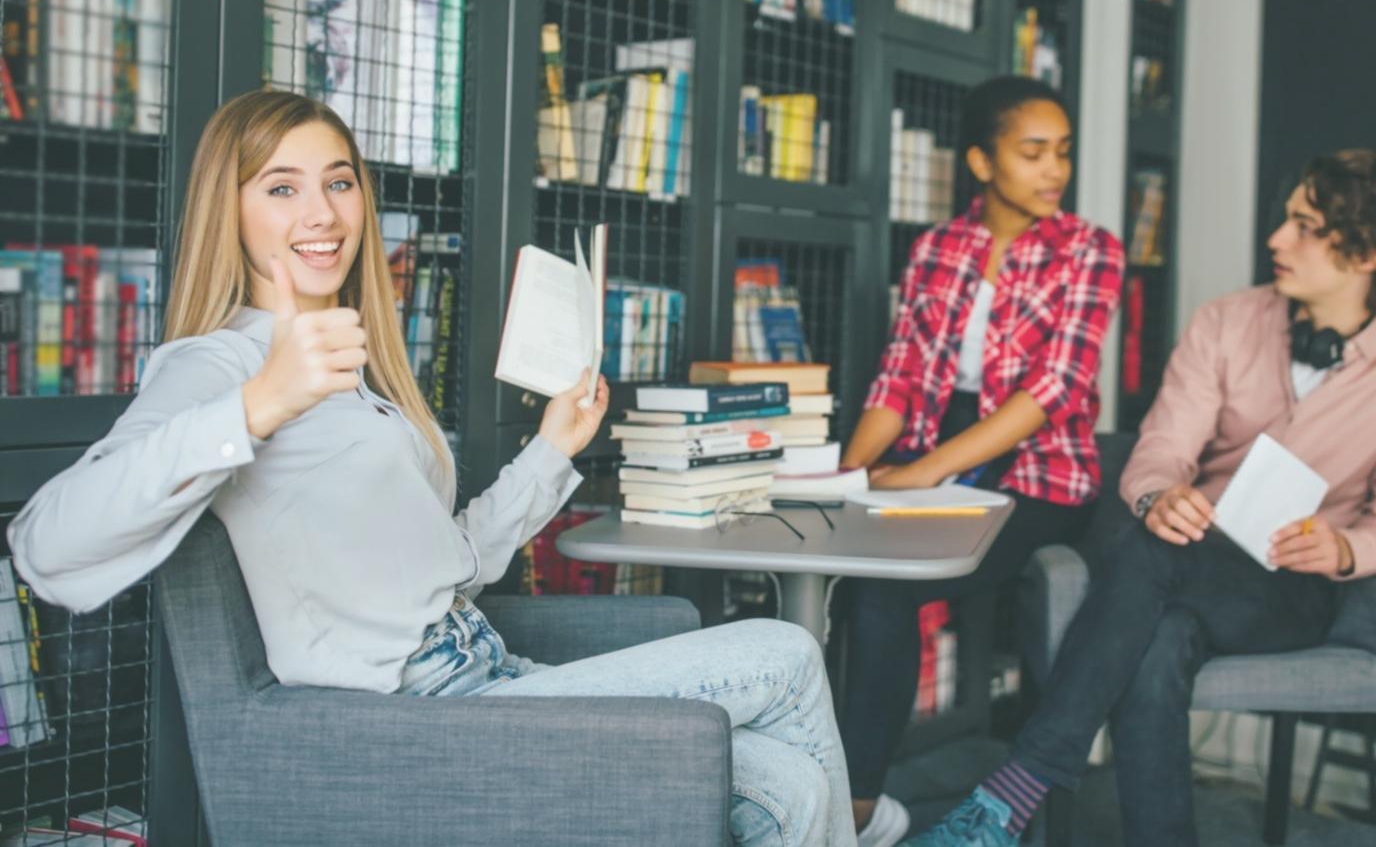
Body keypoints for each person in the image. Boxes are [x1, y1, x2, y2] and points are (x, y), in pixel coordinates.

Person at [8, 90, 856, 847]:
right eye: (281, 187)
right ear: (228, 213)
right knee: (781, 651)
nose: (323, 212)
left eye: (339, 183)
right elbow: (47, 546)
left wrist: (552, 448)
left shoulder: (352, 371)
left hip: (486, 670)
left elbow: (453, 565)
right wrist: (260, 403)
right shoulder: (218, 367)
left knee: (790, 789)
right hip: (421, 719)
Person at [906, 149, 1376, 847]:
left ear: (1367, 252)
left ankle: (1014, 789)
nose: (1275, 239)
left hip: (1289, 584)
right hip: (1182, 549)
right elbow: (1162, 445)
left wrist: (1345, 546)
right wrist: (1156, 495)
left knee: (1146, 563)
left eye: (1303, 225)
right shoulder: (1224, 321)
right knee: (1157, 636)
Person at [838, 76, 1125, 847]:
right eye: (1031, 151)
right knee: (861, 580)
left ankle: (851, 814)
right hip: (936, 452)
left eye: (1061, 152)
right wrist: (845, 476)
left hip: (1038, 474)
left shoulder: (1090, 249)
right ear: (979, 159)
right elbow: (898, 375)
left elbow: (1053, 390)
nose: (1052, 169)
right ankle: (849, 801)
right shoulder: (937, 248)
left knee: (893, 584)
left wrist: (921, 471)